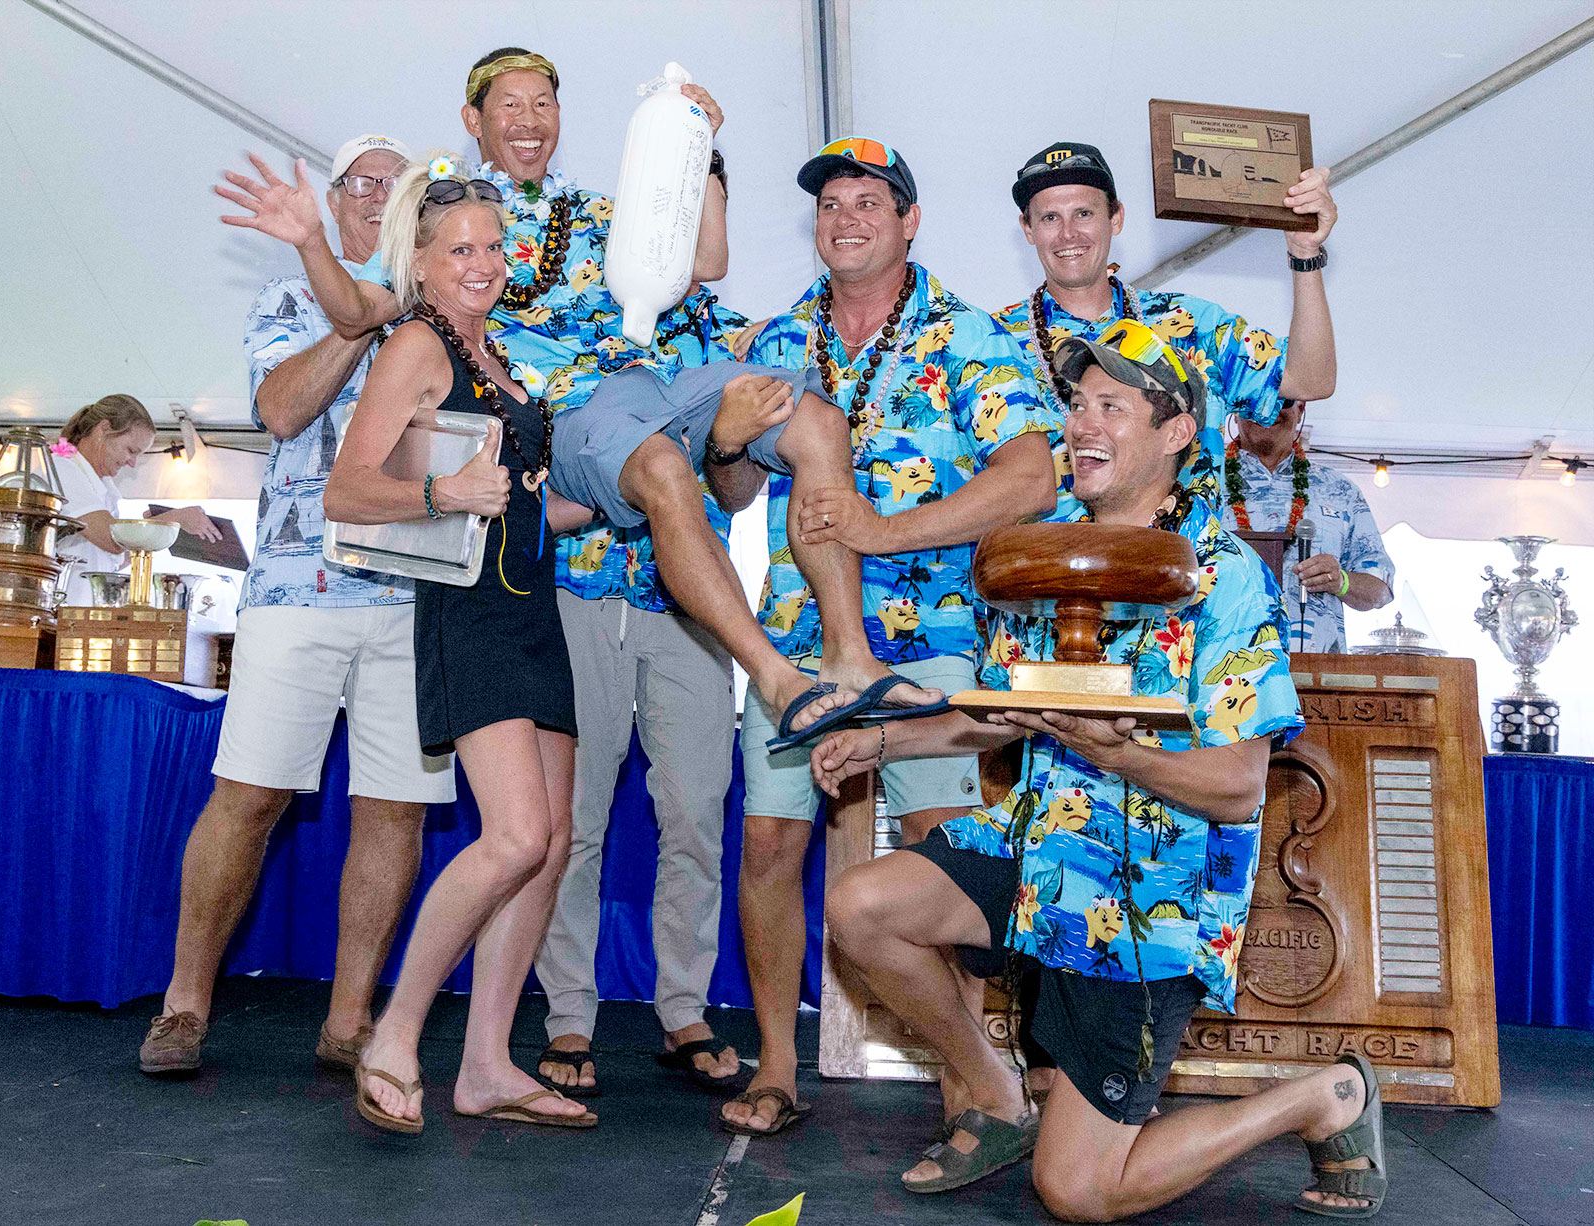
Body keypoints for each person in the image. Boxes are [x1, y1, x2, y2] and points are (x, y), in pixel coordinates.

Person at [811, 321, 1388, 1217]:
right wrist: (882, 742)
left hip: (1145, 899)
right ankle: (998, 1095)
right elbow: (1001, 714)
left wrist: (1119, 752)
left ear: (1176, 432)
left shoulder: (1223, 575)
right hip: (1037, 849)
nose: (1083, 423)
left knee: (1078, 1192)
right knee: (862, 908)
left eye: (1113, 407)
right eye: (1078, 403)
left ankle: (1324, 1097)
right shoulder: (1043, 554)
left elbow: (1239, 786)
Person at [216, 50, 944, 739]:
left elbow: (707, 260)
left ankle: (850, 655)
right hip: (568, 414)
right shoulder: (446, 219)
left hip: (650, 382)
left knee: (816, 419)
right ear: (474, 120)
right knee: (661, 467)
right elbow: (356, 310)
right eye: (510, 104)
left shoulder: (594, 208)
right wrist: (312, 241)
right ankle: (777, 679)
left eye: (544, 103)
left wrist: (701, 148)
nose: (529, 118)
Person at [717, 137, 1063, 1136]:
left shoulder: (971, 336)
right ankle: (778, 1064)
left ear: (909, 221)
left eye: (869, 201)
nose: (847, 218)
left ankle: (969, 1081)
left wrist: (886, 531)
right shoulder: (775, 338)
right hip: (795, 643)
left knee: (935, 855)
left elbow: (1033, 479)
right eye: (831, 203)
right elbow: (731, 491)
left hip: (934, 637)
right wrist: (728, 440)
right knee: (769, 845)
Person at [138, 135, 456, 1080]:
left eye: (397, 185)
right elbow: (280, 413)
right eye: (363, 182)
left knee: (396, 810)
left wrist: (402, 306)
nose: (379, 196)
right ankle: (183, 1005)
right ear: (335, 198)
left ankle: (349, 1020)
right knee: (248, 795)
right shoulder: (287, 299)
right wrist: (358, 313)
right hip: (293, 584)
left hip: (417, 597)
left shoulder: (446, 310)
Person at [319, 159, 592, 1133]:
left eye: (492, 246)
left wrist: (615, 496)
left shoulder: (495, 350)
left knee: (549, 848)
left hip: (533, 609)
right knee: (514, 835)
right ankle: (395, 1035)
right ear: (423, 261)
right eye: (460, 249)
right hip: (469, 614)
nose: (482, 263)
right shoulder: (415, 345)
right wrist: (443, 492)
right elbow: (347, 491)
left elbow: (520, 506)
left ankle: (485, 1065)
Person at [535, 283, 751, 1100]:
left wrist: (725, 444)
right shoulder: (561, 312)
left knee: (697, 813)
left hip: (689, 606)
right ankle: (567, 1014)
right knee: (571, 819)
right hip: (573, 592)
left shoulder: (735, 341)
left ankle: (684, 1010)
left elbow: (738, 493)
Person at [996, 141, 1338, 513]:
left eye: (1083, 213)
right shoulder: (992, 342)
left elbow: (1311, 379)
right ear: (1027, 229)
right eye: (1049, 217)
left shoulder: (1192, 324)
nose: (1068, 233)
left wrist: (1304, 253)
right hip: (1045, 553)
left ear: (1116, 218)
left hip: (1185, 550)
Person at [1223, 397, 1393, 652]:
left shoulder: (1340, 491)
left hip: (1316, 669)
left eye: (1283, 401)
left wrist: (1341, 581)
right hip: (1223, 667)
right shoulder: (1201, 486)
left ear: (1300, 410)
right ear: (1235, 411)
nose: (1267, 409)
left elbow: (1380, 589)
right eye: (1255, 398)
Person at [49, 395, 219, 606]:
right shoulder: (63, 468)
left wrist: (155, 532)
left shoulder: (100, 484)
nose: (132, 463)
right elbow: (111, 539)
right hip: (59, 611)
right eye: (131, 450)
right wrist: (171, 520)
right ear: (104, 429)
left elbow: (115, 558)